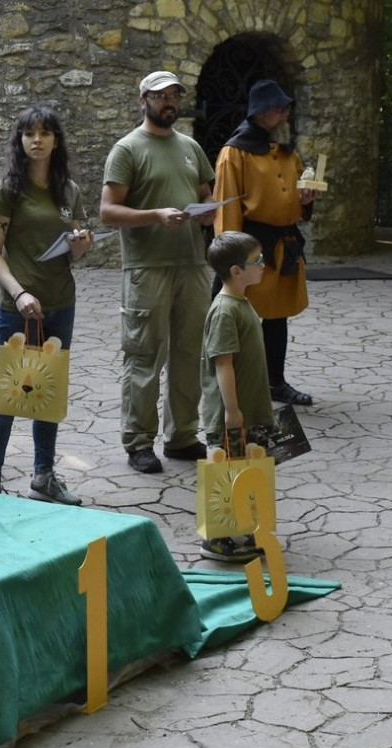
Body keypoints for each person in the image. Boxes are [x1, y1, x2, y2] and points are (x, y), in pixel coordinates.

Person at [99, 70, 217, 475]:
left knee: (189, 355)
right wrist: (153, 214)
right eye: (160, 95)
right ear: (143, 100)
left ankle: (182, 436)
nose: (169, 102)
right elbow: (108, 211)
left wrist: (208, 213)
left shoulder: (191, 148)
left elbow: (205, 195)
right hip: (146, 267)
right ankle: (138, 442)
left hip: (193, 265)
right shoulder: (127, 149)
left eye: (174, 96)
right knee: (145, 356)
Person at [0, 106, 93, 505]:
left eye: (45, 133)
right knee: (11, 394)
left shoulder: (69, 191)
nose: (37, 140)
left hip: (61, 302)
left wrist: (80, 246)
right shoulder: (9, 189)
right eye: (29, 133)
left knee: (47, 391)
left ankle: (43, 477)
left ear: (56, 141)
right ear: (20, 141)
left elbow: (74, 254)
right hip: (17, 307)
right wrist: (19, 292)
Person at [213, 79, 322, 406]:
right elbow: (227, 207)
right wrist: (232, 261)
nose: (285, 116)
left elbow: (300, 206)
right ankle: (235, 387)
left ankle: (275, 382)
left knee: (277, 317)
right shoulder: (234, 153)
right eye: (279, 109)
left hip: (284, 245)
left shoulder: (287, 154)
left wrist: (307, 198)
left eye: (287, 109)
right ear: (260, 113)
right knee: (240, 319)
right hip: (251, 248)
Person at [199, 231, 276, 563]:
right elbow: (223, 363)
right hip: (233, 411)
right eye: (256, 261)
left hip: (250, 407)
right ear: (235, 270)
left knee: (245, 469)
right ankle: (218, 539)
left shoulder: (241, 302)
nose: (263, 265)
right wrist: (232, 411)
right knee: (227, 471)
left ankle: (242, 528)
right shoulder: (224, 310)